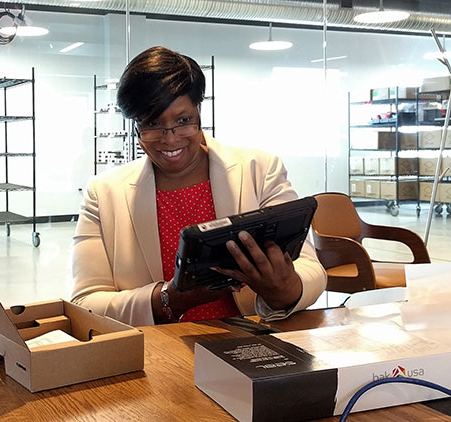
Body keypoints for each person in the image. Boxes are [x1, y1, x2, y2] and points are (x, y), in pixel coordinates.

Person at [71, 46, 326, 326]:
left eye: (183, 121)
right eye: (152, 124)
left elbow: (310, 269)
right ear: (135, 127)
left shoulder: (258, 170)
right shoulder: (104, 193)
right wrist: (169, 298)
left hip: (249, 343)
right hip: (157, 355)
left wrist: (284, 289)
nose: (169, 139)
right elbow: (86, 304)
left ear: (199, 112)